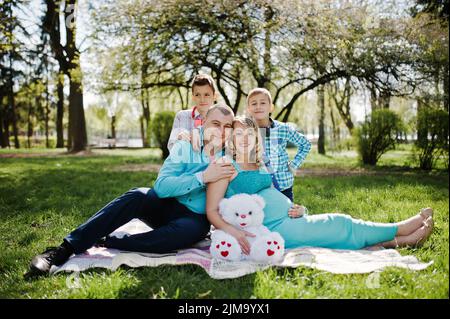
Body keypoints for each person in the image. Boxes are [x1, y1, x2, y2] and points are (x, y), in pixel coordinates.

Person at [25, 104, 236, 278]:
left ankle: (111, 241)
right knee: (138, 195)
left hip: (194, 218)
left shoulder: (233, 154)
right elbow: (161, 188)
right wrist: (203, 177)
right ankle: (63, 250)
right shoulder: (186, 145)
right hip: (166, 205)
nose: (221, 131)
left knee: (186, 233)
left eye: (228, 127)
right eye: (215, 124)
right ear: (203, 123)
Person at [205, 115, 434, 255]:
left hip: (289, 219)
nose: (244, 137)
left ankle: (402, 239)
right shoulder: (226, 164)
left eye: (249, 133)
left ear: (257, 137)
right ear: (231, 137)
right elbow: (212, 211)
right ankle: (401, 229)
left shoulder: (259, 163)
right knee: (340, 223)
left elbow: (273, 196)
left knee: (337, 228)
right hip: (270, 229)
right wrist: (236, 233)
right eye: (238, 133)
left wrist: (301, 210)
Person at [246, 88, 311, 202]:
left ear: (271, 107)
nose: (258, 106)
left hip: (282, 185)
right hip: (257, 188)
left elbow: (305, 144)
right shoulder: (245, 131)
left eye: (263, 103)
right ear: (249, 109)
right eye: (254, 103)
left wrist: (294, 165)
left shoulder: (283, 129)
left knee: (287, 216)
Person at [167, 73, 218, 151]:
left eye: (206, 95)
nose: (202, 99)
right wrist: (179, 140)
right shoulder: (182, 116)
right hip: (187, 162)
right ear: (193, 97)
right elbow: (171, 148)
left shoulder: (220, 119)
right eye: (197, 95)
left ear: (214, 96)